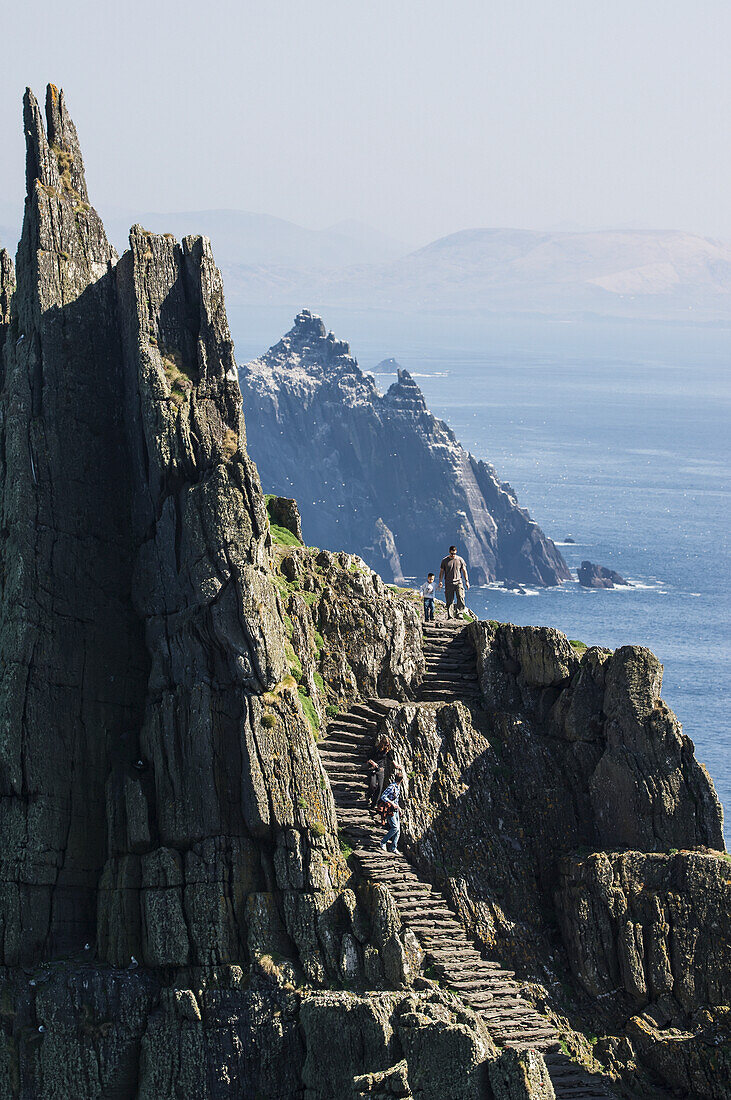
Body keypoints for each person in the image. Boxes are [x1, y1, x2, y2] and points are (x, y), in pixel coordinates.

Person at [438, 545, 470, 618]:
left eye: (454, 553)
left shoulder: (460, 560)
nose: (453, 555)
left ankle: (460, 613)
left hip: (458, 582)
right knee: (449, 600)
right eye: (452, 554)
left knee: (460, 597)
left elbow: (464, 571)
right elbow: (441, 571)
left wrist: (467, 581)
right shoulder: (445, 561)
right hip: (448, 582)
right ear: (449, 552)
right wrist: (440, 581)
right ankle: (450, 615)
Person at [379, 768, 404, 853]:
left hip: (395, 810)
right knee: (395, 827)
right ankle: (383, 842)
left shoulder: (397, 787)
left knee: (398, 830)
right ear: (401, 780)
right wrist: (391, 803)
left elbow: (396, 800)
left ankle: (393, 847)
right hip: (390, 810)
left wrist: (399, 808)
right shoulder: (391, 787)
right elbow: (383, 796)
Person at [366, 736, 391, 813]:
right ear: (382, 743)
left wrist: (396, 765)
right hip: (373, 769)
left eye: (388, 745)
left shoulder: (387, 751)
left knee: (379, 787)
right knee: (373, 785)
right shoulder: (375, 749)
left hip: (381, 770)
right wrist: (373, 763)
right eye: (386, 744)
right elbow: (368, 758)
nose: (387, 746)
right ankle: (369, 795)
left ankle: (373, 805)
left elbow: (391, 758)